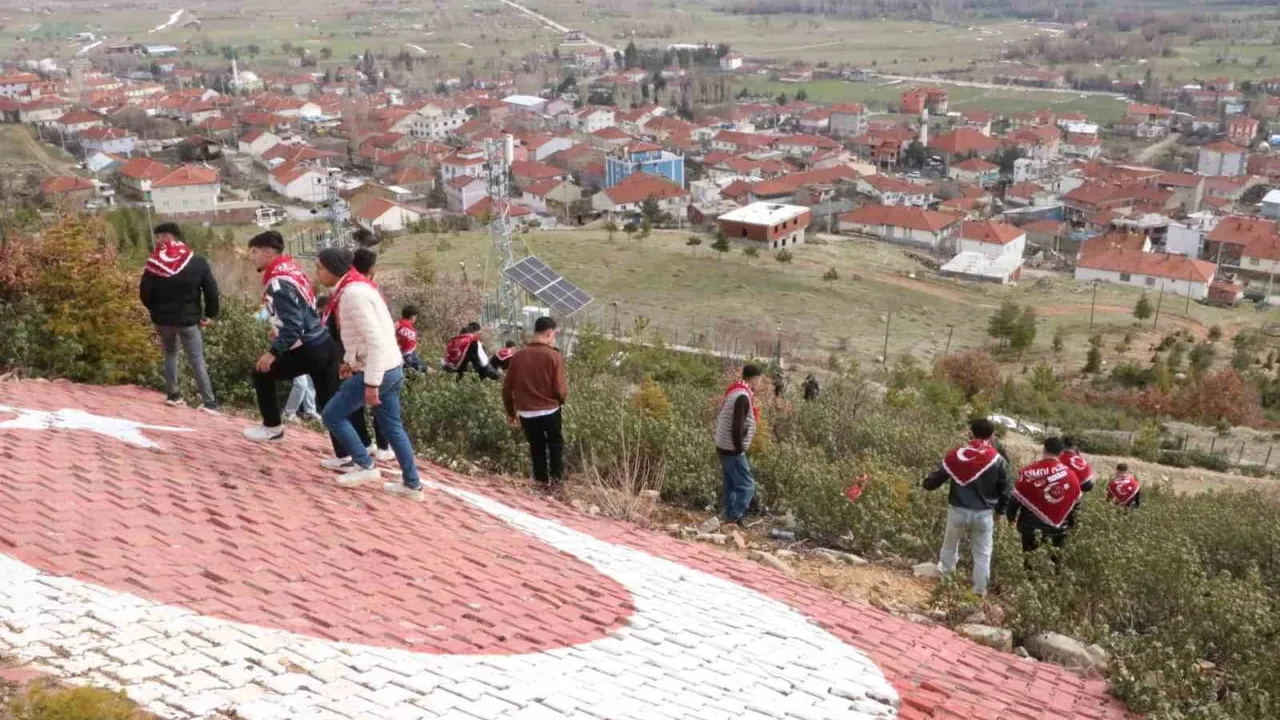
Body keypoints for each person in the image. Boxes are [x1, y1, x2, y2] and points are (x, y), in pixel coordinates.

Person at [313, 248, 424, 501]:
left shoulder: (353, 294)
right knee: (393, 428)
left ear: (332, 269)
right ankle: (412, 485)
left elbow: (374, 340)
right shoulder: (359, 287)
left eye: (319, 268)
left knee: (332, 415)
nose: (316, 273)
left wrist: (371, 383)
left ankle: (364, 465)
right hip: (390, 366)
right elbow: (366, 337)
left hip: (377, 371)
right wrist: (350, 361)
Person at [241, 230, 344, 448]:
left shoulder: (277, 281)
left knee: (261, 373)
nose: (252, 257)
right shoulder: (294, 270)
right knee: (330, 404)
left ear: (268, 253)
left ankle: (272, 428)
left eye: (254, 251)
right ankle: (347, 455)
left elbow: (294, 326)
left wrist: (273, 352)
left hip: (308, 347)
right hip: (324, 341)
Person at [923, 418, 1010, 596]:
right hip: (984, 513)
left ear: (970, 433)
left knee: (949, 546)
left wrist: (927, 484)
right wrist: (1000, 511)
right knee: (983, 554)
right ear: (992, 435)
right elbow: (1006, 489)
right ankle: (979, 591)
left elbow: (937, 477)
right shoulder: (998, 459)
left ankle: (946, 581)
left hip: (958, 510)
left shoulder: (958, 454)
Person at [139, 223, 220, 412]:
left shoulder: (154, 263)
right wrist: (209, 314)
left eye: (159, 237)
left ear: (169, 237)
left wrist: (156, 310)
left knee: (170, 353)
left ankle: (173, 395)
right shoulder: (197, 261)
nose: (157, 241)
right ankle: (209, 402)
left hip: (163, 321)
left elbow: (144, 292)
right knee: (197, 359)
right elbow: (211, 291)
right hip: (189, 321)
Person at [503, 317, 568, 489]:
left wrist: (511, 412)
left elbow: (507, 387)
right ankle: (556, 482)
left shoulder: (518, 356)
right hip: (549, 410)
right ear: (548, 333)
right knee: (555, 444)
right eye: (554, 334)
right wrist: (561, 400)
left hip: (526, 412)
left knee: (536, 446)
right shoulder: (554, 356)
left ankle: (540, 481)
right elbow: (560, 388)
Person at [1008, 437, 1083, 554]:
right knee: (1055, 564)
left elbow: (1015, 499)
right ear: (1061, 453)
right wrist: (1073, 524)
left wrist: (1010, 518)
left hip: (1030, 528)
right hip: (1059, 529)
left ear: (1044, 449)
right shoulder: (1071, 475)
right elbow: (1076, 503)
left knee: (1029, 563)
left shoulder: (1028, 472)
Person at [714, 364, 766, 528]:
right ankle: (734, 517)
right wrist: (739, 449)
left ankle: (729, 516)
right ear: (754, 379)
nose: (760, 384)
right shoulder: (742, 396)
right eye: (759, 380)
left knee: (730, 483)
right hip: (732, 448)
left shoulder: (735, 391)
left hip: (723, 445)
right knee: (747, 485)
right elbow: (737, 425)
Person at [395, 305, 428, 373]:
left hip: (393, 355)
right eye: (416, 316)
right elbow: (408, 348)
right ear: (412, 317)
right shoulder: (410, 330)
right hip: (406, 356)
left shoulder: (396, 324)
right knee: (427, 369)